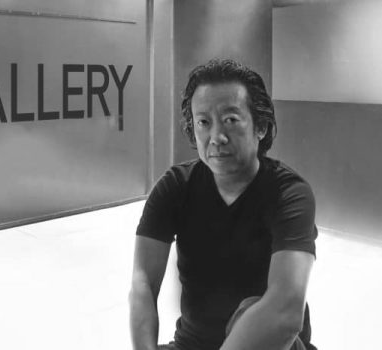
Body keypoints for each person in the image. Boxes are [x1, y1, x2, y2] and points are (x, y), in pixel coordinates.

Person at [129, 59, 318, 350]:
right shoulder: (176, 186)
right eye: (204, 122)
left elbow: (285, 311)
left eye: (230, 120)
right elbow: (143, 283)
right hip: (192, 344)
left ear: (261, 126)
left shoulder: (288, 193)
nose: (216, 137)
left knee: (254, 308)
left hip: (271, 346)